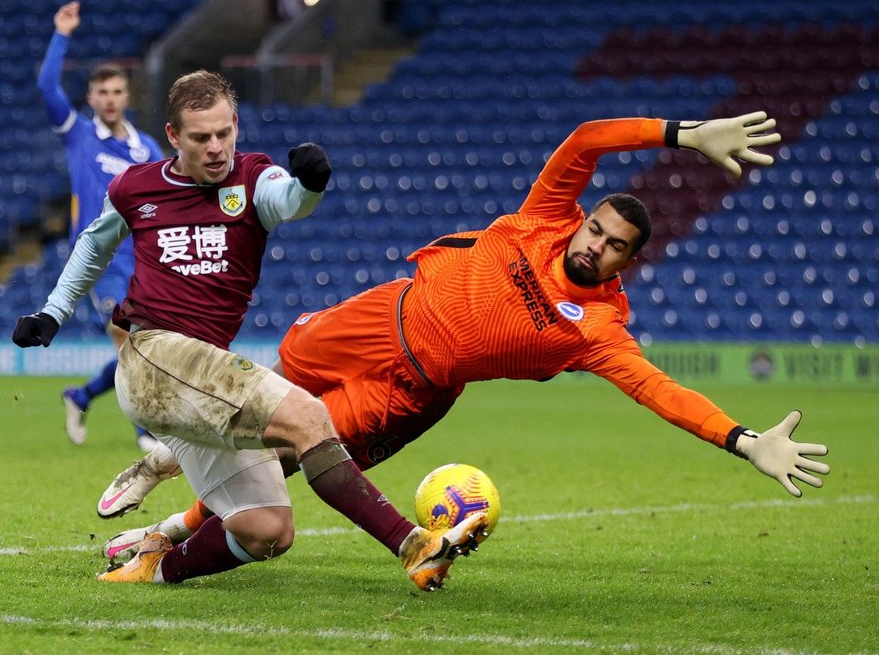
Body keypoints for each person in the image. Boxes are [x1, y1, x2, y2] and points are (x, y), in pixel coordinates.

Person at [94, 111, 831, 564]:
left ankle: (165, 532)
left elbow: (660, 392)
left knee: (286, 451)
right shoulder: (544, 217)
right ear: (581, 220)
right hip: (379, 315)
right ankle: (166, 455)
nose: (596, 244)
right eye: (596, 228)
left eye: (613, 246)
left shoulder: (599, 330)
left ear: (626, 264)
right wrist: (683, 134)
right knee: (261, 396)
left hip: (410, 390)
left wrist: (742, 439)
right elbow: (586, 141)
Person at [13, 69, 490, 592]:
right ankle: (415, 546)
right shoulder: (135, 187)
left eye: (224, 133)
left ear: (235, 125)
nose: (216, 147)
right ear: (173, 136)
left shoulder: (252, 178)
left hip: (197, 382)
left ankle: (154, 565)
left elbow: (287, 201)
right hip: (153, 353)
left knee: (267, 531)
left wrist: (309, 184)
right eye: (200, 138)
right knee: (308, 416)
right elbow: (93, 244)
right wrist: (53, 312)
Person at [37, 0, 165, 450]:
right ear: (91, 98)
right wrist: (61, 34)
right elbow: (47, 86)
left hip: (143, 259)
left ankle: (82, 394)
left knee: (146, 344)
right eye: (102, 92)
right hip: (100, 259)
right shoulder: (78, 133)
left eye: (116, 91)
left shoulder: (146, 148)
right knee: (128, 338)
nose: (110, 99)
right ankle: (145, 430)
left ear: (126, 96)